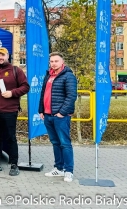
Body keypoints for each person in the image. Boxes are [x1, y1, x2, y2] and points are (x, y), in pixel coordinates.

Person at [0, 47, 29, 176]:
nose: (0, 57)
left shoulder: (16, 70)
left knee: (10, 138)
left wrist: (12, 93)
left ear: (8, 56)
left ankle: (14, 164)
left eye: (3, 55)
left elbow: (25, 86)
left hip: (9, 111)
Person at [39, 52, 77, 183]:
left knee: (65, 143)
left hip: (60, 116)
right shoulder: (48, 75)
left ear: (62, 62)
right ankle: (59, 168)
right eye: (51, 61)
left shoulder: (68, 76)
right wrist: (41, 110)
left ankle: (69, 171)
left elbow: (71, 96)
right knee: (55, 143)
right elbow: (43, 93)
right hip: (48, 115)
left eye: (56, 61)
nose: (53, 63)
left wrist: (62, 112)